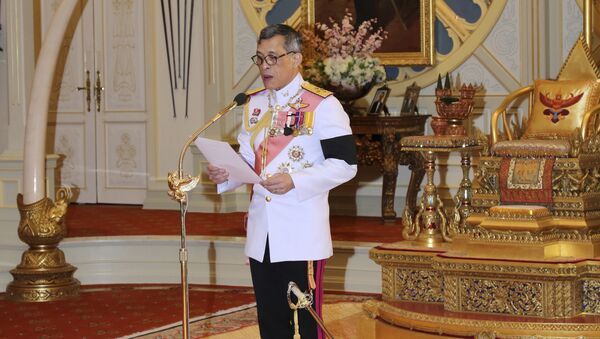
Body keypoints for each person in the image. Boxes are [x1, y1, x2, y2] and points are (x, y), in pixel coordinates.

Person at [206, 24, 357, 339]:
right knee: (271, 321)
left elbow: (345, 165)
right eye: (259, 59)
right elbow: (249, 161)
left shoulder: (323, 104)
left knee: (303, 322)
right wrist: (227, 173)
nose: (264, 67)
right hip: (263, 232)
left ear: (296, 58)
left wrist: (296, 180)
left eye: (273, 58)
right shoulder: (255, 104)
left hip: (300, 230)